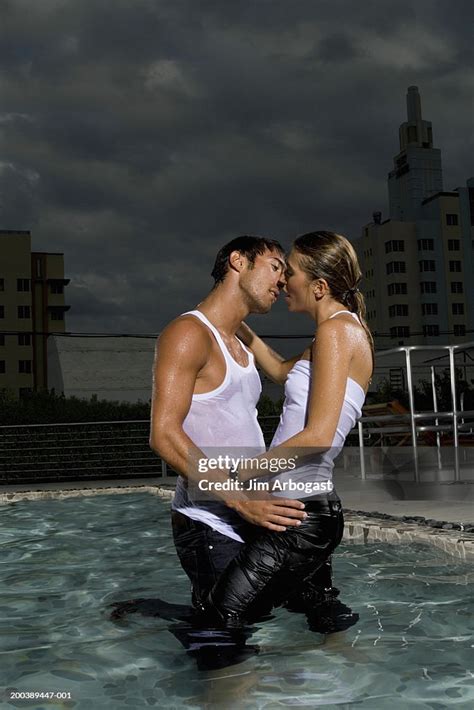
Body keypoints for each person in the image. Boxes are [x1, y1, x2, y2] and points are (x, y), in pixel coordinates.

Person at [148, 235, 352, 626]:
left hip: (257, 510)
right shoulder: (188, 334)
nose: (282, 280)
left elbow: (305, 373)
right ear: (238, 262)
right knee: (226, 645)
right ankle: (159, 618)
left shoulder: (239, 346)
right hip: (212, 521)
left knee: (311, 607)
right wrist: (239, 499)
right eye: (276, 266)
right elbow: (163, 434)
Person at [196, 230, 374, 629]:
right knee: (320, 614)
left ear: (319, 286)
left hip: (300, 516)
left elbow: (318, 436)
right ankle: (345, 683)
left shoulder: (336, 332)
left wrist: (236, 476)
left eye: (289, 272)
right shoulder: (334, 334)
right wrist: (237, 324)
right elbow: (280, 371)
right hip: (305, 509)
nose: (281, 281)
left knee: (223, 618)